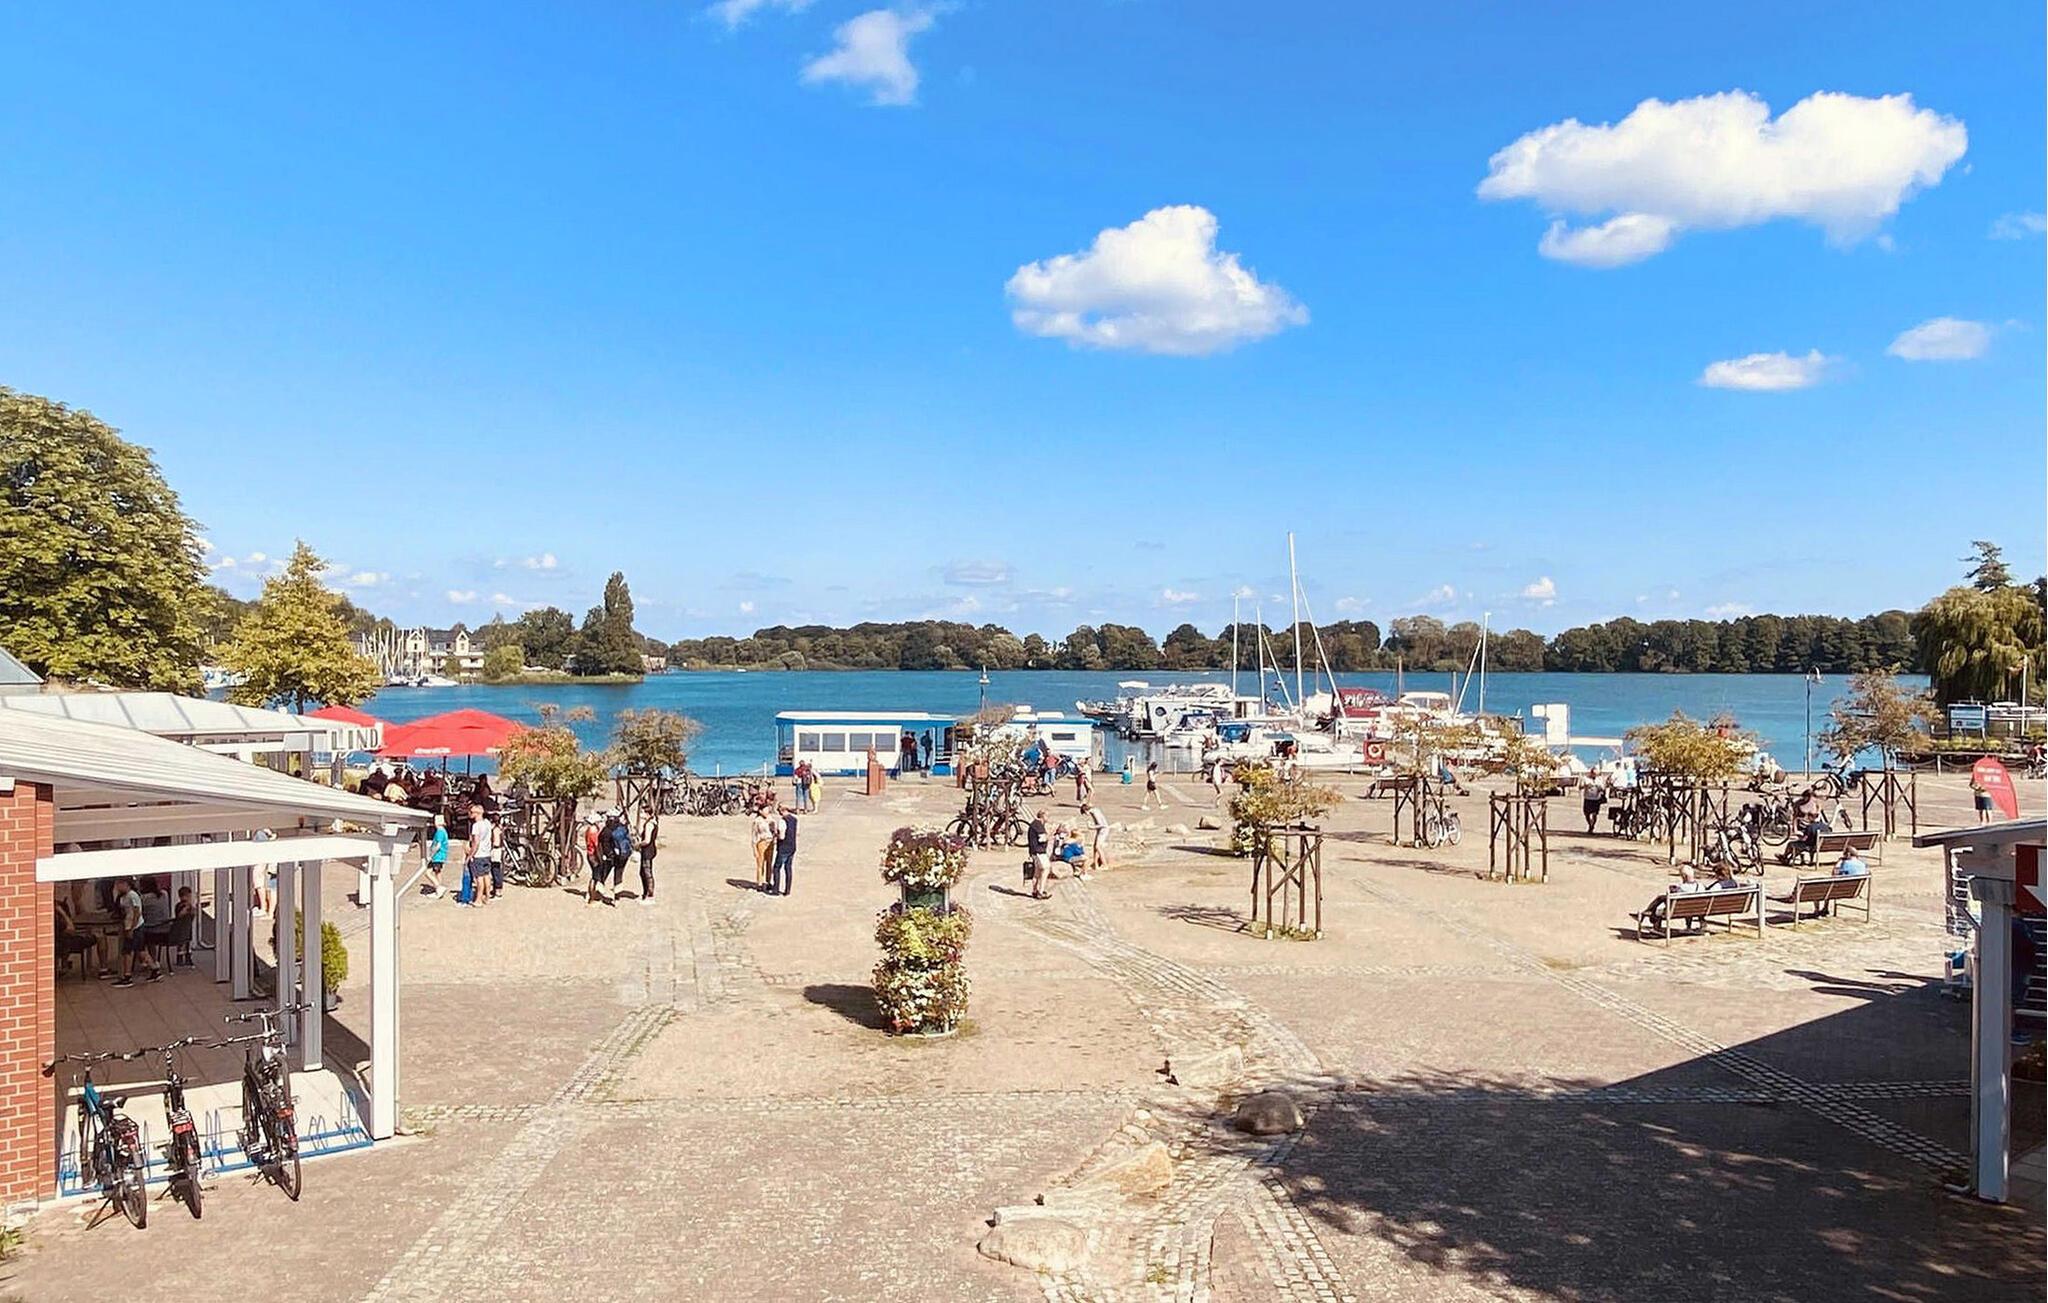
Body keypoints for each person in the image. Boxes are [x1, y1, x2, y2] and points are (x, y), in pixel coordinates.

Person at [112, 876, 162, 986]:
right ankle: (154, 969)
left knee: (128, 951)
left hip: (135, 927)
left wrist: (132, 928)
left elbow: (137, 912)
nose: (117, 887)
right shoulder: (123, 897)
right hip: (128, 925)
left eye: (119, 884)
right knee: (140, 950)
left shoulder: (132, 895)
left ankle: (127, 976)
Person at [467, 803, 497, 906]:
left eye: (471, 812)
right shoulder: (487, 823)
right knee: (486, 875)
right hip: (487, 853)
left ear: (476, 813)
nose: (470, 814)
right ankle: (487, 897)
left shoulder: (476, 826)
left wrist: (470, 854)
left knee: (479, 877)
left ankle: (478, 899)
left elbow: (476, 842)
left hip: (479, 854)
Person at [769, 804, 798, 896]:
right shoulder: (794, 819)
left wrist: (775, 834)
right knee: (788, 868)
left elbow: (781, 836)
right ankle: (787, 890)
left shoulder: (782, 821)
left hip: (783, 847)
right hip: (792, 846)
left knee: (777, 868)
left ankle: (776, 889)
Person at [423, 814, 451, 897]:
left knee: (427, 873)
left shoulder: (439, 832)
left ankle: (438, 887)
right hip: (441, 856)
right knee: (437, 873)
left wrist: (431, 854)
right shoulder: (443, 831)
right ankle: (438, 891)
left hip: (437, 856)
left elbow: (438, 845)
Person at [1027, 809, 1052, 899]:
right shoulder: (1038, 825)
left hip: (1034, 851)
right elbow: (1042, 839)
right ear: (1043, 816)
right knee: (1046, 869)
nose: (1048, 818)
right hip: (1039, 851)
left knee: (1037, 872)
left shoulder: (1034, 824)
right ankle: (1041, 891)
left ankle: (1034, 891)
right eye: (1047, 816)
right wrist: (1051, 833)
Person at [750, 806, 777, 890]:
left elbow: (774, 831)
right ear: (760, 811)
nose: (767, 812)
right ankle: (759, 882)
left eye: (768, 810)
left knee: (769, 863)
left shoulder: (771, 819)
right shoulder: (757, 821)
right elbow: (754, 835)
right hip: (761, 842)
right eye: (765, 810)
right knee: (760, 863)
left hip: (770, 842)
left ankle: (768, 881)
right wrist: (754, 848)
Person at [173, 886, 198, 966]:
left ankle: (188, 957)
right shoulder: (179, 905)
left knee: (188, 943)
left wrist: (192, 909)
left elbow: (193, 915)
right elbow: (179, 915)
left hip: (187, 927)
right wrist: (186, 908)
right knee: (181, 943)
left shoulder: (190, 906)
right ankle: (180, 958)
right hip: (180, 927)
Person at [1084, 800, 1110, 872]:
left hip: (1103, 830)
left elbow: (1102, 824)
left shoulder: (1094, 812)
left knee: (1098, 847)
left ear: (1086, 811)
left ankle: (1105, 864)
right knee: (1095, 847)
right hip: (1101, 830)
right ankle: (1095, 865)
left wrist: (1091, 827)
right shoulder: (1095, 810)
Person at [636, 820, 658, 902]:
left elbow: (647, 840)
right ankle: (645, 893)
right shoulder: (652, 822)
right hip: (649, 850)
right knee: (643, 872)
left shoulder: (649, 824)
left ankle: (649, 894)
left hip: (647, 851)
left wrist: (638, 845)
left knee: (646, 873)